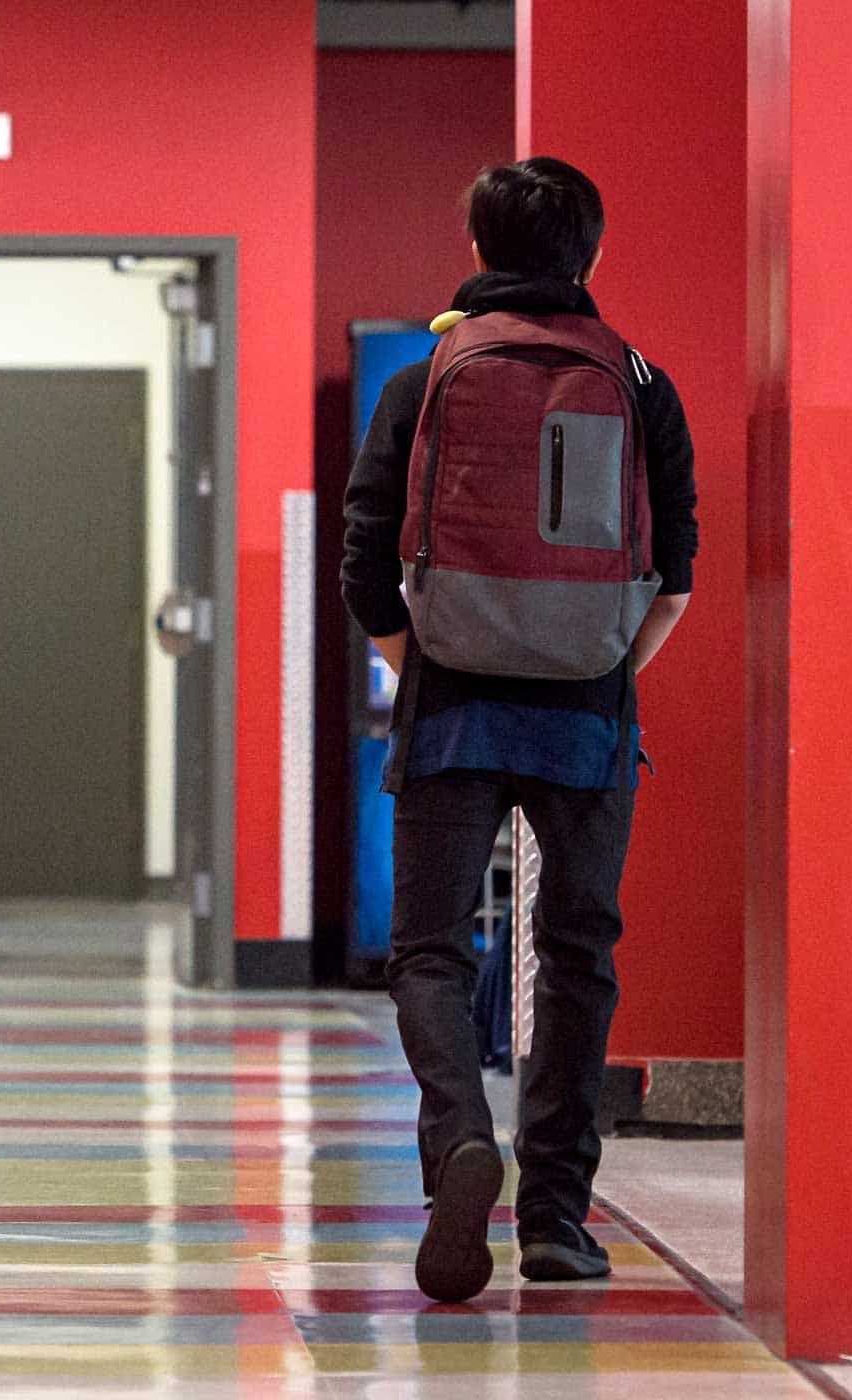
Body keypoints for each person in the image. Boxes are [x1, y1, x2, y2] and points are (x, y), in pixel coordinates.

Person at [341, 158, 698, 1303]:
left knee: (429, 950)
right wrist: (596, 668)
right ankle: (553, 1215)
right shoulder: (639, 379)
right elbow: (674, 575)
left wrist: (430, 663)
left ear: (479, 242)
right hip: (586, 707)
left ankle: (457, 1138)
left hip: (450, 702)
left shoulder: (423, 375)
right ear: (586, 255)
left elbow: (362, 571)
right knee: (576, 950)